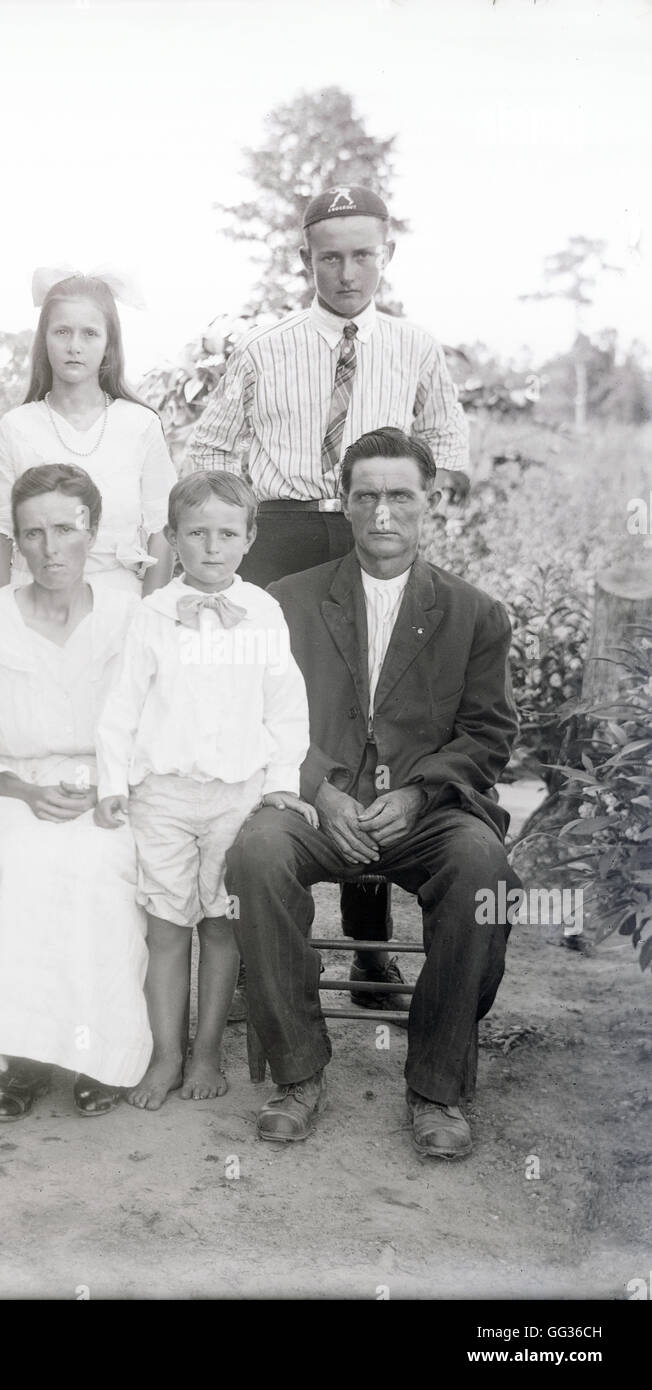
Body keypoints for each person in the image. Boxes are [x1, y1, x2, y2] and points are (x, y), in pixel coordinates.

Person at [189, 185, 471, 1002]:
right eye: (329, 256)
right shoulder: (265, 347)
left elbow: (448, 442)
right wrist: (236, 536)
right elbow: (209, 445)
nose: (347, 271)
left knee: (368, 725)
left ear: (386, 254)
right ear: (304, 259)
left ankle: (370, 948)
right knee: (273, 718)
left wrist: (415, 520)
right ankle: (258, 946)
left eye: (362, 254)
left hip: (372, 533)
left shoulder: (415, 347)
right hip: (280, 536)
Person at [225, 427, 521, 1159]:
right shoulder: (285, 602)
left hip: (425, 813)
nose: (383, 512)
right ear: (346, 505)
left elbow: (487, 734)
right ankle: (297, 1074)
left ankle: (437, 1086)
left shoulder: (476, 613)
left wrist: (420, 795)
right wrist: (321, 790)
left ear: (430, 505)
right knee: (257, 853)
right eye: (367, 497)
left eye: (400, 496)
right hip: (316, 807)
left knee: (485, 872)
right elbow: (248, 716)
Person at [0, 464, 152, 1122]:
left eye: (65, 528)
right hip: (8, 787)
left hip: (110, 788)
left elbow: (156, 724)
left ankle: (96, 1053)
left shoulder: (130, 616)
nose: (50, 548)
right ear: (16, 543)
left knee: (96, 866)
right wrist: (19, 788)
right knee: (21, 863)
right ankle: (20, 1057)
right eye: (33, 534)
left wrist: (110, 786)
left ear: (93, 529)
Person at [94, 471, 313, 1111]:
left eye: (226, 534)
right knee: (165, 927)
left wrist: (279, 784)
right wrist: (112, 784)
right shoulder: (150, 616)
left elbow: (285, 707)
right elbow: (121, 709)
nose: (211, 548)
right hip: (160, 795)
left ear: (249, 539)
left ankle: (208, 1049)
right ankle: (165, 1054)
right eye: (196, 534)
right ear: (172, 538)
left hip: (236, 796)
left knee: (221, 926)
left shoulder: (265, 613)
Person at [0, 268, 177, 598]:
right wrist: (0, 627)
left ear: (109, 343)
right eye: (62, 332)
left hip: (119, 610)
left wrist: (149, 623)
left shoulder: (140, 425)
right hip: (33, 608)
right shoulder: (16, 428)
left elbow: (161, 533)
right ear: (44, 340)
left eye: (90, 334)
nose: (74, 346)